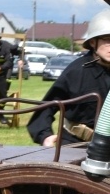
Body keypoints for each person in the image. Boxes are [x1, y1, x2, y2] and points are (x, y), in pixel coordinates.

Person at [28, 9, 110, 146]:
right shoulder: (76, 71)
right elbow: (47, 106)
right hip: (76, 144)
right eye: (107, 40)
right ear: (92, 42)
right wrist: (45, 136)